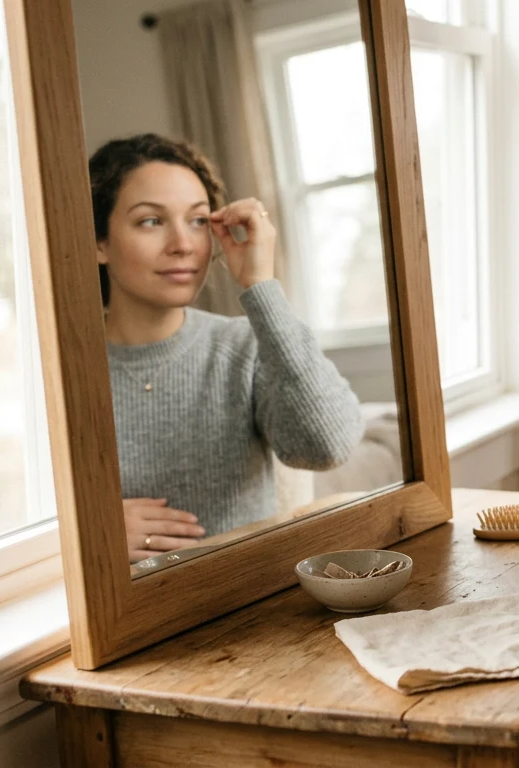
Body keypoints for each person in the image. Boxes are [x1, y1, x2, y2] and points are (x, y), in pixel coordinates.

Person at [89, 134, 363, 563]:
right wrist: (88, 532)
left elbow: (328, 445)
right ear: (98, 243)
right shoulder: (62, 374)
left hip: (246, 609)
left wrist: (261, 285)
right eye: (150, 221)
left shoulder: (244, 347)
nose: (183, 244)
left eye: (198, 221)